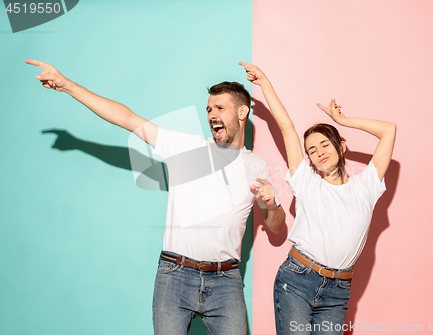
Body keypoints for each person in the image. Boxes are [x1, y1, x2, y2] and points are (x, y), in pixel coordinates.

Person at [27, 59, 286, 335]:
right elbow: (128, 119)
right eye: (209, 109)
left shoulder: (256, 166)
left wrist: (271, 205)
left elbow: (275, 226)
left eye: (220, 108)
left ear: (242, 112)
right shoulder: (187, 149)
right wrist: (67, 86)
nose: (212, 115)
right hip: (176, 275)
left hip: (226, 281)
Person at [240, 62, 396, 335]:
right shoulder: (307, 182)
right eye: (312, 150)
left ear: (341, 146)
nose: (319, 152)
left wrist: (343, 121)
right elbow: (287, 127)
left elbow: (389, 130)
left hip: (338, 290)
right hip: (297, 279)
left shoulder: (366, 186)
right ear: (309, 159)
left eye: (325, 144)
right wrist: (264, 82)